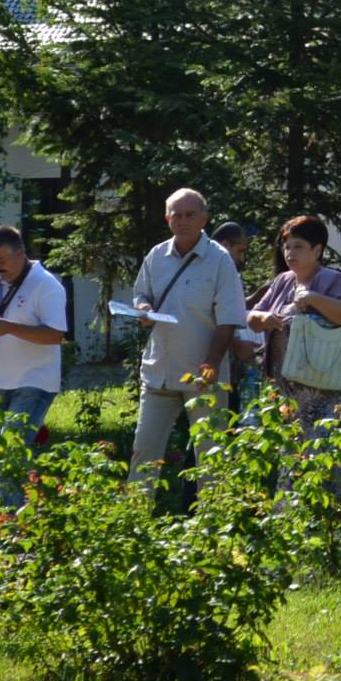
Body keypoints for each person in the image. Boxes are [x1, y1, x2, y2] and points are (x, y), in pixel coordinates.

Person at [128, 188, 249, 492]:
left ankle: (213, 529)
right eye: (176, 215)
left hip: (202, 375)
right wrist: (142, 307)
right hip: (159, 373)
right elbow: (141, 293)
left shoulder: (220, 261)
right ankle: (133, 524)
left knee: (211, 457)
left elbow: (229, 319)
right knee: (144, 453)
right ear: (168, 218)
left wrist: (211, 363)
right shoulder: (156, 255)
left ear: (204, 218)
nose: (182, 221)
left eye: (189, 215)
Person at [245, 215, 341, 494]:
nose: (290, 253)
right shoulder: (283, 281)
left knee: (327, 448)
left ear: (317, 250)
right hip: (288, 389)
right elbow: (251, 317)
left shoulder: (331, 279)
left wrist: (311, 299)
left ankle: (339, 517)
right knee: (293, 450)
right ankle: (294, 518)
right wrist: (266, 317)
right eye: (287, 247)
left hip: (323, 389)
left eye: (298, 246)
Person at [0, 226, 67, 502]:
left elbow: (56, 335)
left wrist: (10, 328)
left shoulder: (46, 284)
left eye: (2, 261)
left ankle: (17, 530)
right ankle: (29, 514)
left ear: (21, 253)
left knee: (9, 454)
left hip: (33, 382)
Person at [211, 222, 261, 413]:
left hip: (228, 368)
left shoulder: (226, 271)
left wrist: (259, 295)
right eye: (240, 250)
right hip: (213, 366)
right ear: (225, 245)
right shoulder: (212, 271)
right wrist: (237, 344)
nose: (242, 258)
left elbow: (233, 309)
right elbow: (210, 317)